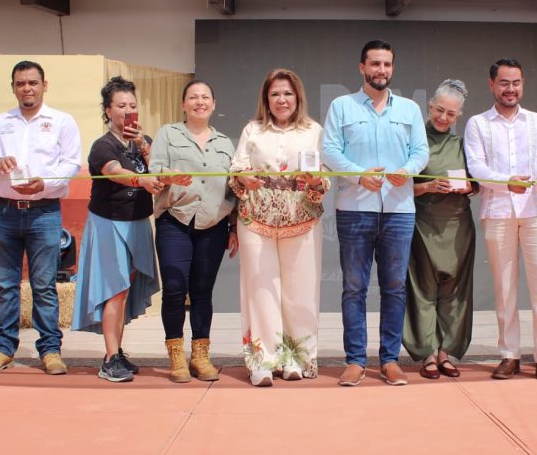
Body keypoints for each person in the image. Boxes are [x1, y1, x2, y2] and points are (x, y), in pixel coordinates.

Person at [322, 40, 429, 386]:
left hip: (399, 209)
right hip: (354, 209)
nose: (381, 70)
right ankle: (355, 360)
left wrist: (409, 169)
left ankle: (389, 360)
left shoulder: (410, 109)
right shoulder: (342, 106)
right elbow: (330, 150)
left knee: (395, 287)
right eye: (375, 64)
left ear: (392, 69)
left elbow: (421, 151)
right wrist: (357, 175)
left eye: (387, 64)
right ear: (362, 67)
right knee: (354, 287)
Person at [0, 61, 81, 375]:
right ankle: (2, 349)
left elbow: (71, 163)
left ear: (44, 85)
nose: (27, 89)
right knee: (6, 285)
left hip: (44, 211)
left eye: (32, 83)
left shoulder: (61, 121)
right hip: (3, 212)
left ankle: (50, 350)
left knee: (44, 286)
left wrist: (44, 183)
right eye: (20, 84)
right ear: (13, 87)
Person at [464, 58, 537, 385]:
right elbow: (476, 167)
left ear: (523, 84)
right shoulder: (478, 124)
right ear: (492, 85)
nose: (511, 89)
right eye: (505, 83)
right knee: (505, 288)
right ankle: (509, 354)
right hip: (497, 212)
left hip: (536, 210)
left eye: (516, 82)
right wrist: (507, 181)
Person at [229, 68, 328, 387]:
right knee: (260, 289)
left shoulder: (313, 130)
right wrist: (242, 177)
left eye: (287, 93)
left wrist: (316, 181)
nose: (282, 100)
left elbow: (323, 176)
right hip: (256, 218)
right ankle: (263, 361)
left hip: (302, 218)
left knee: (300, 290)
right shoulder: (252, 130)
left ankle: (297, 358)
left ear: (298, 96)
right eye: (275, 94)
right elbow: (235, 169)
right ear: (266, 99)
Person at [71, 76, 166, 383]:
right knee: (116, 288)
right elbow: (113, 172)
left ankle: (117, 350)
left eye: (133, 105)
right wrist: (140, 180)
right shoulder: (103, 145)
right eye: (121, 105)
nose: (128, 111)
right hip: (109, 223)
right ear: (108, 110)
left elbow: (159, 169)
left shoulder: (142, 142)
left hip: (138, 221)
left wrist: (142, 144)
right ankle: (110, 358)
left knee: (125, 289)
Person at [148, 81, 238, 383]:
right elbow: (154, 174)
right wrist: (168, 177)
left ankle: (201, 356)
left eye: (205, 98)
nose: (199, 102)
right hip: (175, 219)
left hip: (213, 224)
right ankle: (176, 355)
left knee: (202, 292)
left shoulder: (225, 143)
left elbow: (234, 189)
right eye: (193, 97)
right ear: (184, 104)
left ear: (214, 104)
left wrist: (234, 227)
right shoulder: (168, 134)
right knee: (174, 288)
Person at [402, 79, 475, 380]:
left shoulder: (462, 144)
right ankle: (428, 354)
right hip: (423, 223)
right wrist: (428, 186)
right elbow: (401, 185)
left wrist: (470, 187)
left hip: (458, 224)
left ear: (459, 116)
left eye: (451, 114)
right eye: (440, 110)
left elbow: (478, 182)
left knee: (455, 292)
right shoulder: (414, 142)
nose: (444, 118)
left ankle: (447, 352)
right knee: (423, 289)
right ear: (430, 107)